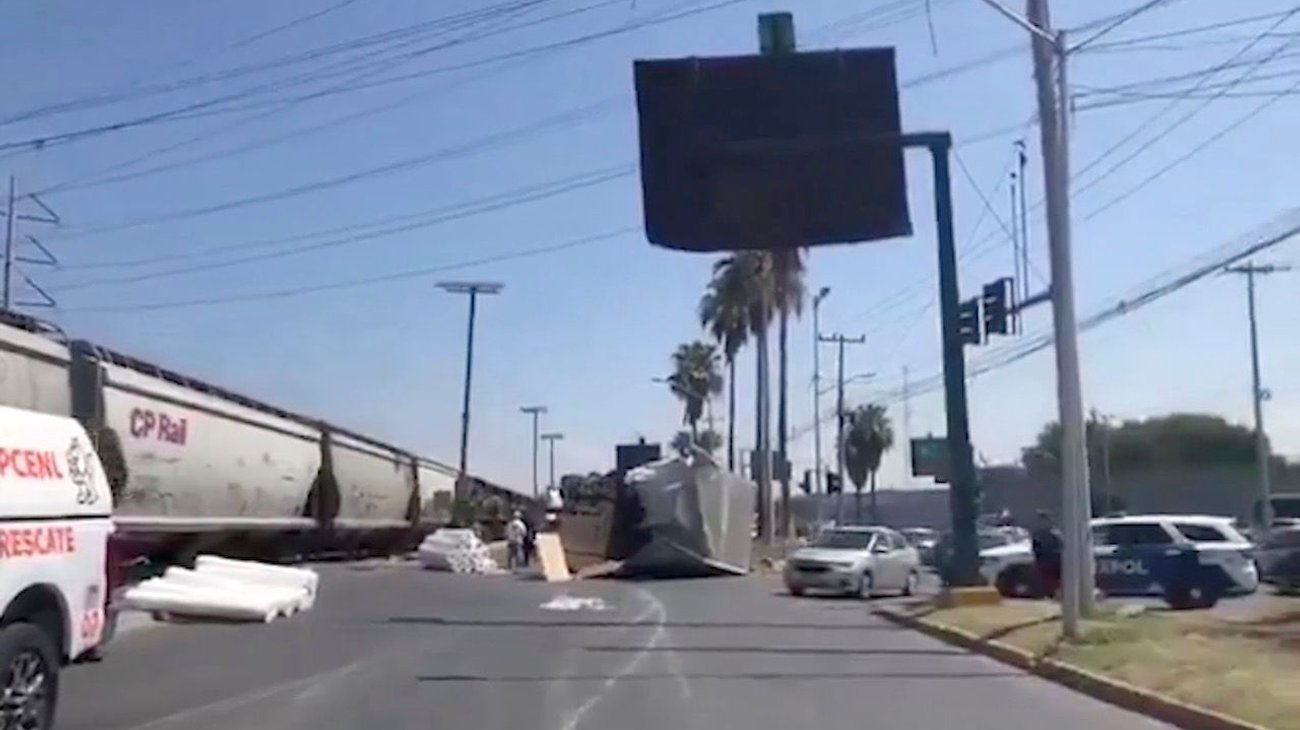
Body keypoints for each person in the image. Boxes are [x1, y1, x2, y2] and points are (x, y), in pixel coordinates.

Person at [1030, 510, 1063, 599]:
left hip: (1052, 561)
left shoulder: (1054, 533)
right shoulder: (1038, 534)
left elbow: (1061, 547)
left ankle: (1055, 595)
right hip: (1043, 561)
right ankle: (1049, 595)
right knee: (1044, 581)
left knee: (1053, 581)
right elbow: (1034, 547)